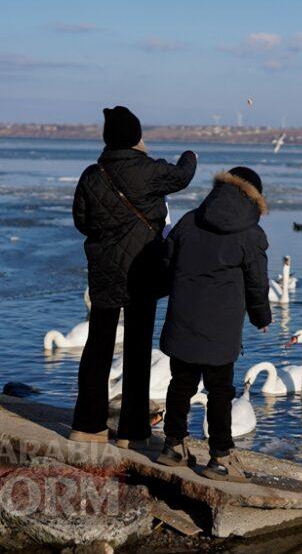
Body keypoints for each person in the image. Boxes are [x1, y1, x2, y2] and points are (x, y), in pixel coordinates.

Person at [70, 106, 197, 447]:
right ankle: (132, 431)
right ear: (135, 136)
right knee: (138, 348)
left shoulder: (92, 175)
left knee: (97, 345)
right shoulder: (150, 171)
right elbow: (183, 175)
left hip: (104, 271)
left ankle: (87, 425)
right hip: (143, 270)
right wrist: (190, 154)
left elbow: (82, 221)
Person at [156, 166, 272, 481]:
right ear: (254, 199)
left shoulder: (189, 220)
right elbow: (257, 284)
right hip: (220, 330)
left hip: (183, 321)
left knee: (181, 383)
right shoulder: (251, 235)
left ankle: (172, 446)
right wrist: (261, 317)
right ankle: (220, 457)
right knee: (219, 391)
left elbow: (166, 264)